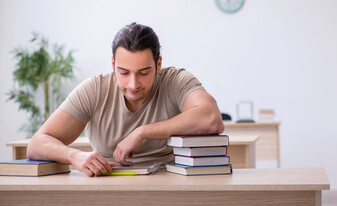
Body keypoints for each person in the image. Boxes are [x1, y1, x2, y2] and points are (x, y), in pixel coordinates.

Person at [27, 23, 224, 177]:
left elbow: (211, 118)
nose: (133, 84)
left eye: (144, 72)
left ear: (158, 64)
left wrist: (142, 132)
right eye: (123, 72)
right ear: (113, 64)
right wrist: (74, 155)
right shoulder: (94, 89)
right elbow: (36, 144)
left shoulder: (176, 80)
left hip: (166, 184)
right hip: (107, 187)